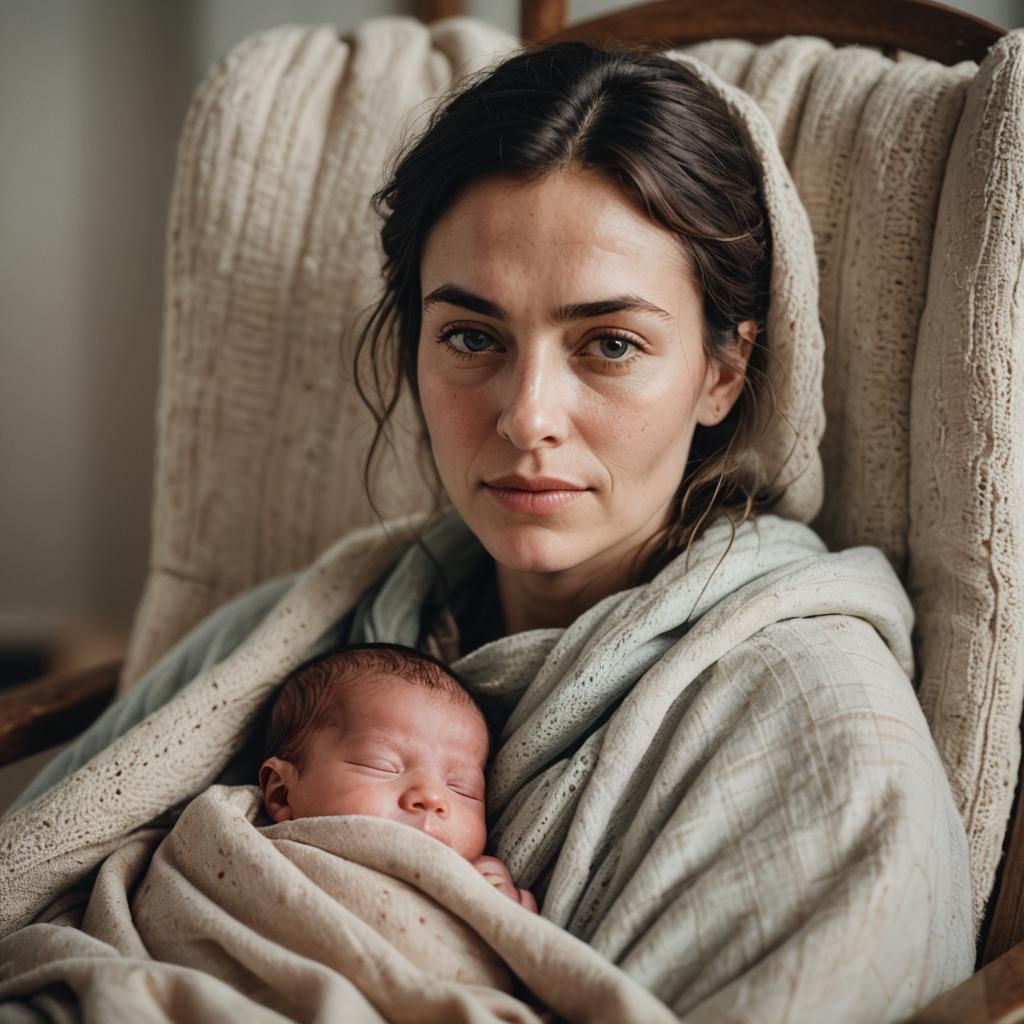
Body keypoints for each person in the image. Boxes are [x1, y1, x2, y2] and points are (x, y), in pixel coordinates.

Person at [3, 36, 973, 1024]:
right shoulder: (310, 633)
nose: (524, 415)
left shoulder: (816, 734)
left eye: (609, 344)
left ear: (723, 371)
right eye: (472, 336)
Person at [258, 643, 537, 910]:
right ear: (281, 793)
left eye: (461, 788)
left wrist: (503, 910)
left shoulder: (476, 887)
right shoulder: (250, 850)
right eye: (381, 764)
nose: (432, 796)